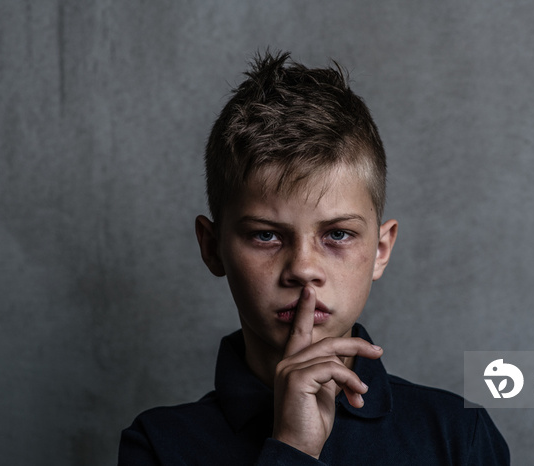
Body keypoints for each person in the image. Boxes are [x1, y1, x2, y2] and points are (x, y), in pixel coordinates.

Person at [118, 51, 510, 465]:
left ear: (380, 250)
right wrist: (292, 449)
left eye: (337, 234)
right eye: (266, 235)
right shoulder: (159, 446)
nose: (303, 268)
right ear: (212, 247)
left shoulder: (456, 435)